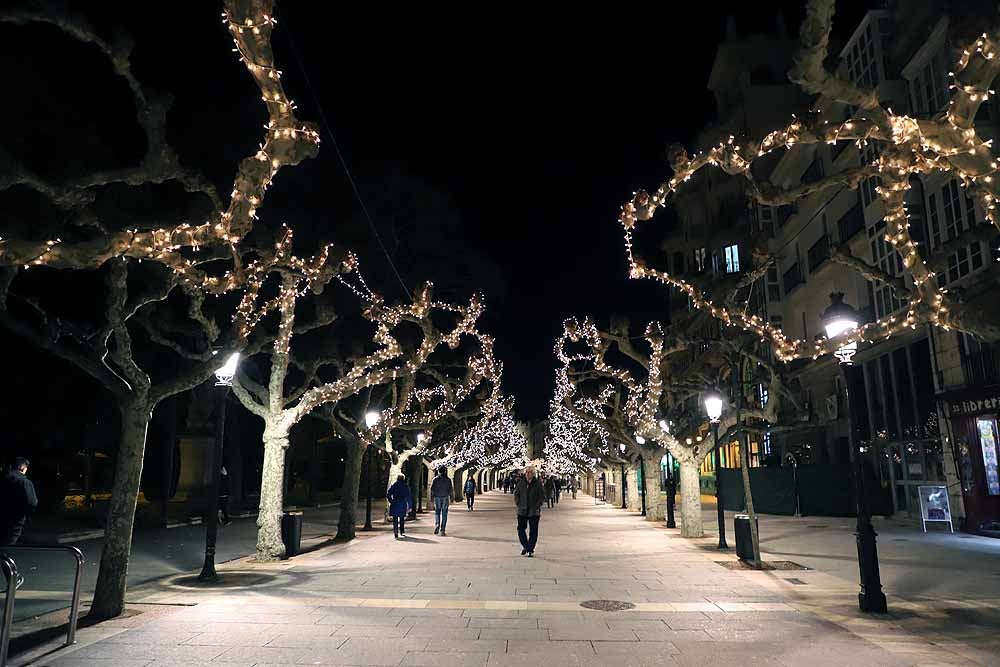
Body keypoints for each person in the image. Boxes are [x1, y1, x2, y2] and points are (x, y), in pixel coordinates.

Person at [1, 457, 38, 546]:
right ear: (23, 468)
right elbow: (32, 503)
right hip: (14, 522)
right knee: (7, 548)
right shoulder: (24, 482)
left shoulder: (3, 478)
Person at [514, 465, 545, 557]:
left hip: (533, 511)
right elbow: (516, 493)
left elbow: (542, 496)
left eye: (530, 472)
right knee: (521, 529)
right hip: (522, 510)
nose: (528, 474)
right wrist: (518, 503)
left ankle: (530, 549)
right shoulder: (521, 483)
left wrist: (537, 506)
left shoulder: (538, 484)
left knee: (533, 531)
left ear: (533, 474)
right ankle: (526, 546)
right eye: (527, 472)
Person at [387, 474, 413, 539]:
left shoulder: (394, 485)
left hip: (395, 502)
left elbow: (389, 494)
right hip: (402, 503)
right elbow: (408, 496)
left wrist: (391, 501)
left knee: (395, 519)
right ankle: (401, 530)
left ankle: (395, 532)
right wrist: (410, 505)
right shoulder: (405, 486)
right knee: (402, 518)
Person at [430, 468, 453, 536]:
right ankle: (442, 530)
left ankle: (437, 525)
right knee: (444, 514)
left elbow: (432, 488)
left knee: (437, 512)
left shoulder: (435, 479)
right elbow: (450, 489)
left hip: (437, 497)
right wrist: (451, 497)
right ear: (445, 471)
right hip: (445, 497)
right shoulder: (448, 480)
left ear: (439, 471)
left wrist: (432, 497)